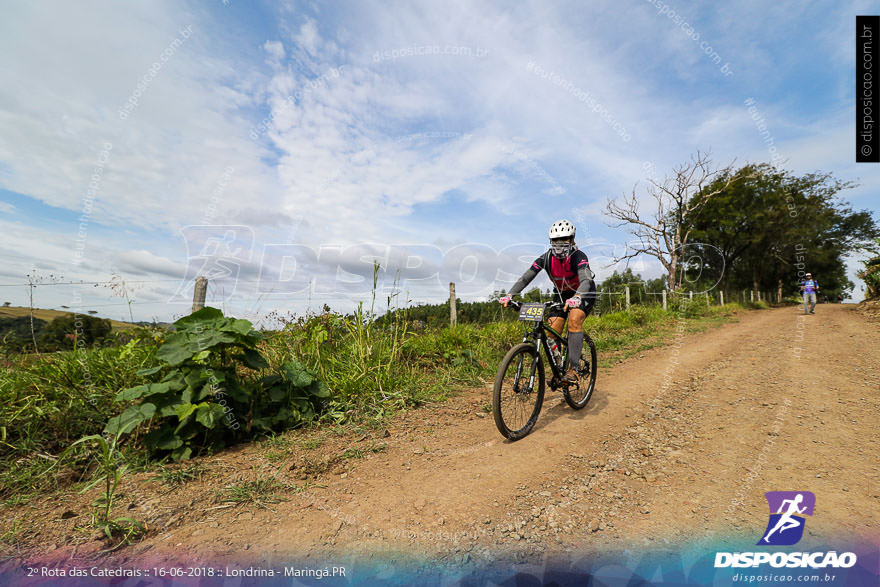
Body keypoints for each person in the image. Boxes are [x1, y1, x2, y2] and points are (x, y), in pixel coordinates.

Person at [499, 219, 596, 384]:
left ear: (572, 239)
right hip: (561, 295)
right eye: (555, 240)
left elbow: (586, 280)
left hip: (583, 292)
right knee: (552, 333)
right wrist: (510, 295)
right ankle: (558, 367)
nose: (559, 243)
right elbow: (526, 277)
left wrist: (577, 297)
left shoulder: (578, 256)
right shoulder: (546, 258)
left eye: (564, 239)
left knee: (573, 321)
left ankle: (573, 369)